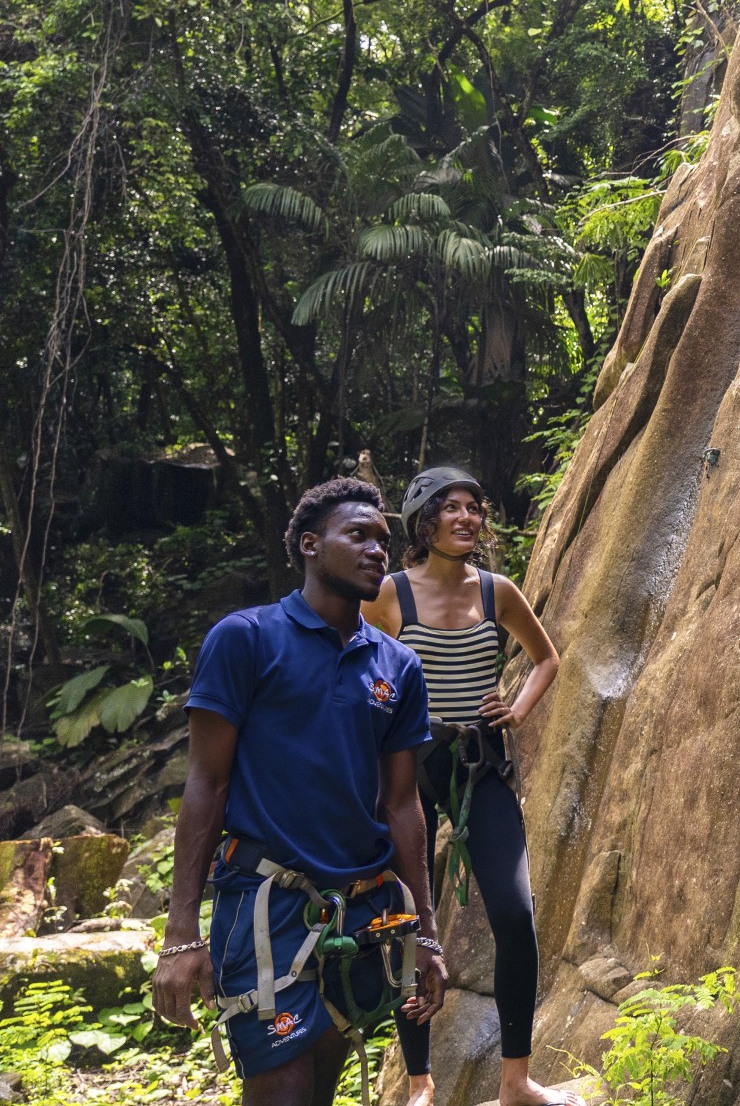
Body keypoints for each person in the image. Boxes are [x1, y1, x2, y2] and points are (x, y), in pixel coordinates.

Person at [152, 477, 448, 1106]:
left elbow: (402, 805)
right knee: (281, 1089)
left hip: (360, 911)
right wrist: (181, 934)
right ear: (310, 545)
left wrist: (425, 931)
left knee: (318, 1085)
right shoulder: (247, 638)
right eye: (358, 534)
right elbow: (206, 783)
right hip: (268, 903)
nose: (377, 550)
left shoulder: (398, 665)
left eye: (384, 540)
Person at [364, 466, 570, 1106]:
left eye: (475, 508)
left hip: (481, 763)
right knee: (405, 921)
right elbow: (358, 677)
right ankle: (420, 1083)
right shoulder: (392, 595)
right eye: (450, 508)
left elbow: (547, 658)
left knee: (516, 915)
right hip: (409, 768)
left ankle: (516, 1082)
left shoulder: (497, 590)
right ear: (424, 521)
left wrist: (517, 707)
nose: (466, 518)